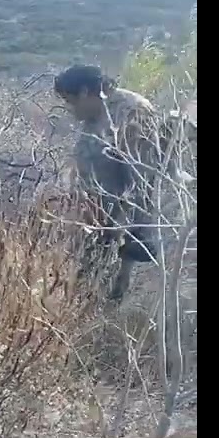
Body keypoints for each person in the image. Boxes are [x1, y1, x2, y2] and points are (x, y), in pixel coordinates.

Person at [53, 65, 165, 302]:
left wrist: (125, 235)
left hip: (118, 231)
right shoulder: (96, 114)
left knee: (108, 297)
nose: (69, 109)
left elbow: (142, 180)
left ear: (85, 92)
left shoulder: (133, 112)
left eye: (71, 101)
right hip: (93, 226)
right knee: (84, 294)